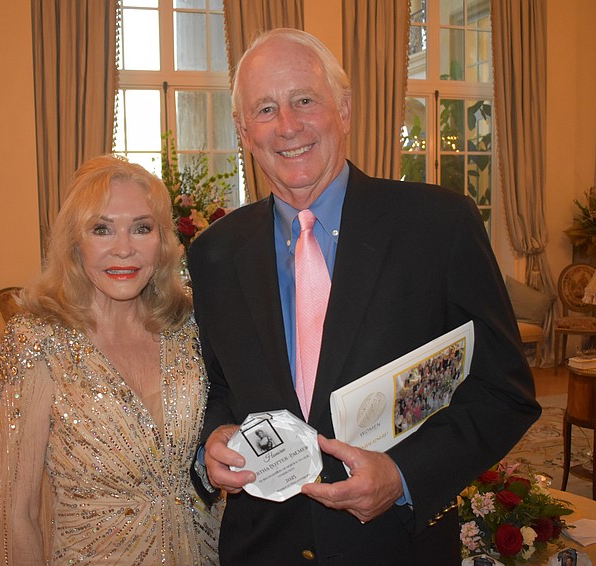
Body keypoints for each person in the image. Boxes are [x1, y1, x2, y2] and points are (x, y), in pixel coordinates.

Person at [187, 28, 541, 564]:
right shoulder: (214, 254)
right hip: (263, 548)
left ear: (344, 109)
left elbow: (504, 392)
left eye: (304, 100)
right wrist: (213, 440)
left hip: (396, 546)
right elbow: (215, 387)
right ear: (243, 130)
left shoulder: (438, 226)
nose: (287, 126)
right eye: (265, 109)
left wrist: (404, 475)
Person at [0, 155, 221, 565]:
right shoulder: (38, 339)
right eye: (102, 229)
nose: (124, 249)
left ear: (163, 241)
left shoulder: (190, 327)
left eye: (142, 228)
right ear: (75, 243)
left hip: (201, 550)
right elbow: (15, 512)